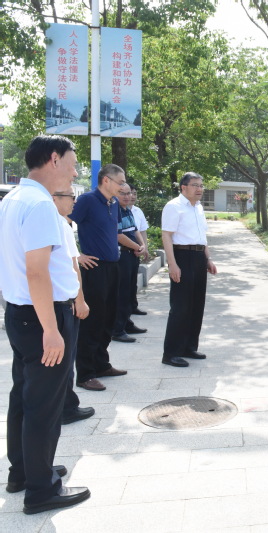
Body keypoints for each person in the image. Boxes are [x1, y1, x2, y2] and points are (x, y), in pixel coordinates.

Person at [0, 135, 91, 514]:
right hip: (43, 317)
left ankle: (23, 471)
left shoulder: (13, 199)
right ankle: (41, 490)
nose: (75, 171)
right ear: (54, 159)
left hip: (21, 313)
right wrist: (51, 330)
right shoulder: (39, 205)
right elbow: (37, 272)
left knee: (24, 396)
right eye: (72, 163)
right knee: (44, 405)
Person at [70, 163, 129, 391]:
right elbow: (64, 223)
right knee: (91, 321)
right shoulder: (87, 200)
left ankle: (101, 365)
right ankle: (85, 374)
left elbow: (114, 233)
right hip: (94, 268)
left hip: (113, 267)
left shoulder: (113, 203)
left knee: (108, 318)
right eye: (120, 182)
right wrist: (77, 255)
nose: (123, 187)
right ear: (106, 180)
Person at [161, 172, 218, 367]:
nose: (199, 189)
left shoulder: (198, 207)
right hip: (182, 257)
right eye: (195, 185)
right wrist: (172, 264)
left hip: (199, 257)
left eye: (201, 185)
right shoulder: (174, 206)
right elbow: (167, 236)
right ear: (183, 187)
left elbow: (202, 237)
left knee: (196, 305)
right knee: (181, 306)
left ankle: (189, 347)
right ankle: (171, 353)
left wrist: (208, 259)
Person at [53, 188, 95, 426]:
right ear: (55, 198)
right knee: (63, 362)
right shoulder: (58, 224)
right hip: (59, 304)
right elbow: (72, 266)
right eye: (71, 197)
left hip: (60, 301)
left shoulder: (62, 223)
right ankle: (65, 409)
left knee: (63, 362)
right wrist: (80, 300)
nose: (74, 202)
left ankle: (66, 405)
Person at [110, 183, 147, 343]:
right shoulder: (115, 209)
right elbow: (119, 236)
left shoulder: (127, 210)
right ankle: (117, 330)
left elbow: (135, 230)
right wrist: (137, 247)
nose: (127, 196)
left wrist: (142, 245)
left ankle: (126, 323)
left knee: (131, 291)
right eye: (123, 193)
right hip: (122, 255)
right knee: (122, 293)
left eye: (129, 193)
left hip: (132, 254)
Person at [129, 184, 149, 315]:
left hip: (137, 252)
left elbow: (142, 231)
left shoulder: (138, 211)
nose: (132, 196)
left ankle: (133, 306)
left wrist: (145, 248)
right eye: (129, 193)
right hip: (125, 251)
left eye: (135, 193)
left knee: (133, 281)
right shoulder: (118, 210)